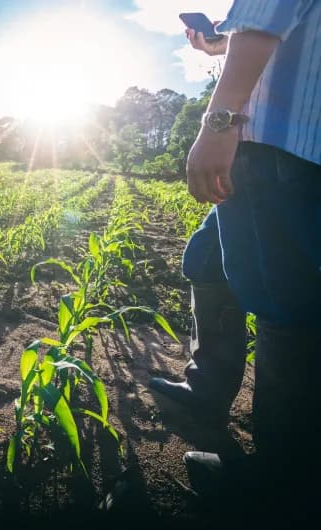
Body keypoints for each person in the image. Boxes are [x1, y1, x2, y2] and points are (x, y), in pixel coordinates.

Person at [149, 0, 321, 522]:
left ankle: (280, 481)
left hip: (275, 143)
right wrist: (218, 44)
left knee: (282, 306)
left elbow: (267, 17)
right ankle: (207, 387)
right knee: (207, 258)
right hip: (284, 141)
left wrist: (218, 123)